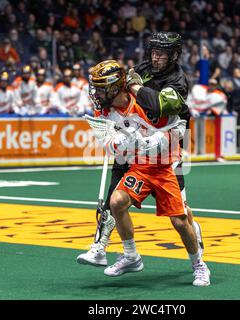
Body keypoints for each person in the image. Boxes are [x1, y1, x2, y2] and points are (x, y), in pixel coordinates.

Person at [77, 32, 205, 271]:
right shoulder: (143, 68)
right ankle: (101, 245)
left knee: (180, 215)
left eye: (162, 54)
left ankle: (193, 232)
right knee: (115, 196)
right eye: (154, 52)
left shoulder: (178, 81)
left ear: (173, 56)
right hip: (134, 146)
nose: (155, 58)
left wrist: (135, 87)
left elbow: (163, 109)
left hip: (166, 143)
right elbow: (118, 83)